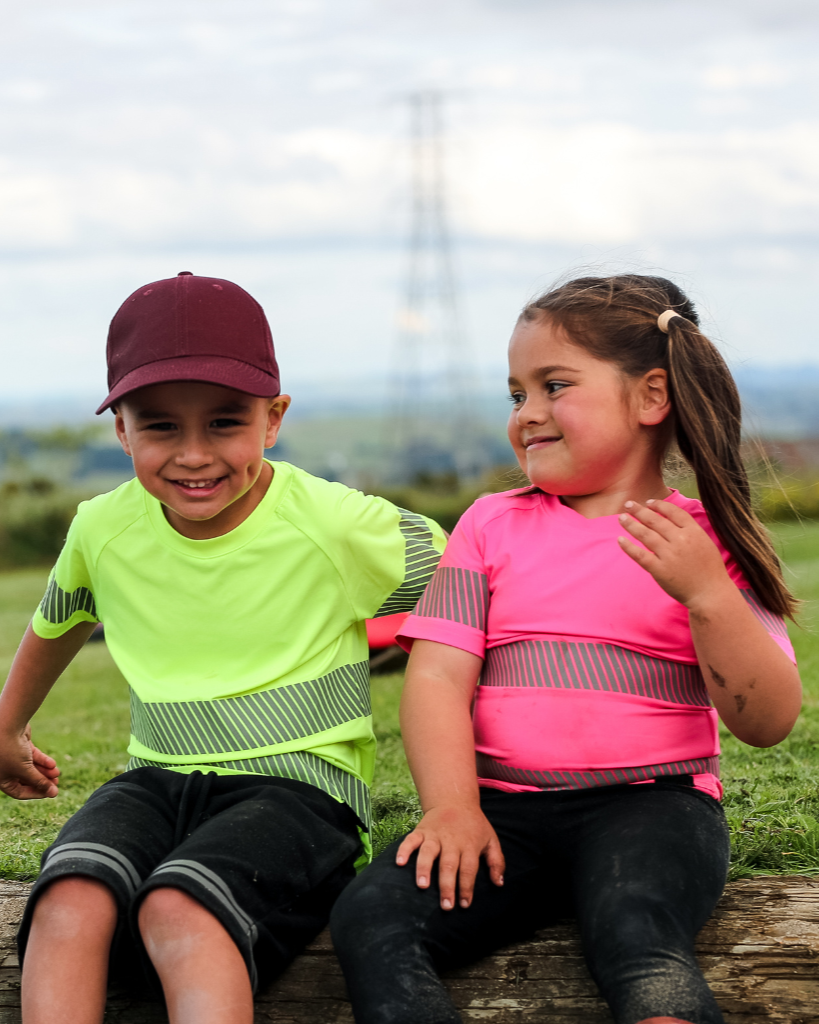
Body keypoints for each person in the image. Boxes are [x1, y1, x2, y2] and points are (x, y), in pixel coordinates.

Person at [330, 274, 802, 1024]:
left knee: (636, 934)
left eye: (553, 385)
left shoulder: (702, 541)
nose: (528, 414)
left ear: (650, 397)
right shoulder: (489, 526)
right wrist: (451, 809)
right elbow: (437, 678)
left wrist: (707, 595)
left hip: (652, 808)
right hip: (500, 816)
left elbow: (767, 720)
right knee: (370, 919)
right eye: (516, 394)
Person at [0, 271, 446, 1024]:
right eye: (161, 426)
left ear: (273, 419)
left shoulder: (336, 525)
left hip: (305, 794)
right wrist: (6, 728)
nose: (194, 455)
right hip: (154, 782)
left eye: (225, 422)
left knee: (179, 907)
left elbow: (472, 586)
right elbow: (60, 622)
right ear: (122, 431)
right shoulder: (100, 529)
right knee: (69, 895)